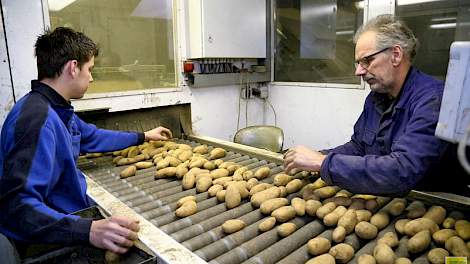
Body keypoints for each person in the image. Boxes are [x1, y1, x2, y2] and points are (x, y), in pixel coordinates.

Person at [0, 27, 172, 260]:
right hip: (49, 239)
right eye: (90, 69)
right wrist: (89, 230)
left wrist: (143, 136)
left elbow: (92, 136)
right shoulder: (35, 119)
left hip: (69, 222)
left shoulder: (57, 109)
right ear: (73, 67)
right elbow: (17, 208)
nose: (91, 77)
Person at [284, 14, 469, 196]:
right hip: (393, 198)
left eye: (367, 60)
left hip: (438, 204)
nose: (358, 71)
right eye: (358, 63)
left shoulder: (433, 100)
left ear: (396, 55)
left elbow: (403, 170)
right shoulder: (376, 97)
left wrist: (323, 162)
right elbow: (358, 148)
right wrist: (315, 157)